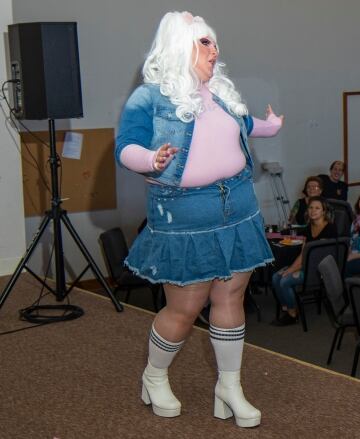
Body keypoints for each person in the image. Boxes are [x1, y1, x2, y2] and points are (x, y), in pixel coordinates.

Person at [115, 11, 283, 427]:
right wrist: (150, 159)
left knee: (231, 297)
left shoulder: (221, 93)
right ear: (180, 45)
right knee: (185, 308)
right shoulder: (149, 97)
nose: (215, 50)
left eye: (214, 42)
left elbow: (246, 125)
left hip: (238, 210)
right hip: (186, 215)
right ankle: (153, 376)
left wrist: (271, 126)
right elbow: (125, 146)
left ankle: (229, 386)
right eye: (205, 42)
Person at [272, 197, 338, 326]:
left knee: (285, 281)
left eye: (317, 208)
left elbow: (318, 258)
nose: (313, 211)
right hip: (306, 265)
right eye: (311, 207)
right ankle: (288, 307)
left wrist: (295, 270)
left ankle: (292, 314)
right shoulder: (309, 228)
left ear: (324, 211)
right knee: (276, 277)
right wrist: (291, 268)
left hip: (319, 270)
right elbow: (303, 253)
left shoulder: (330, 228)